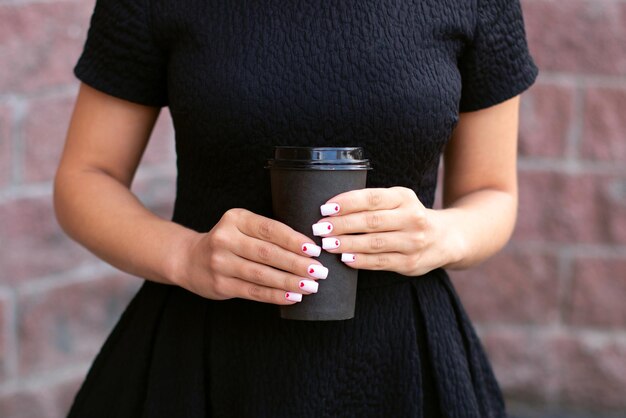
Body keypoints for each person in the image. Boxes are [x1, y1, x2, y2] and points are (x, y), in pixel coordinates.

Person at [54, 0, 538, 416]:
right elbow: (85, 178)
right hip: (202, 361)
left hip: (402, 361)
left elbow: (492, 192)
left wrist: (440, 235)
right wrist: (186, 256)